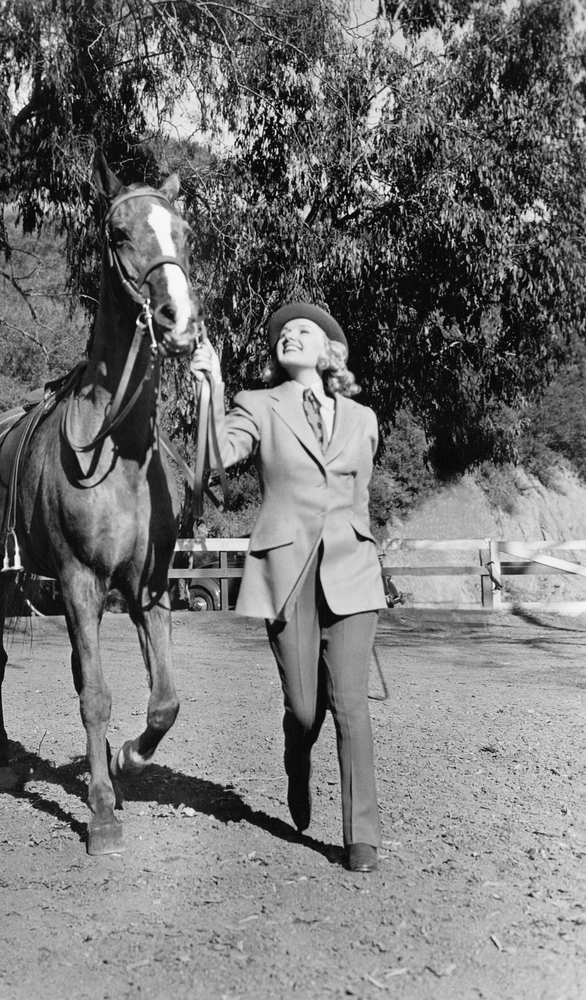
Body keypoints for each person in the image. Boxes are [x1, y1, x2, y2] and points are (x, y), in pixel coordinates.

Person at [190, 302, 387, 873]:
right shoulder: (258, 405)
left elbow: (360, 496)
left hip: (352, 571)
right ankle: (295, 762)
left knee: (350, 704)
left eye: (303, 330)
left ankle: (361, 838)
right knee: (305, 711)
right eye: (281, 333)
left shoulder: (363, 419)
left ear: (329, 351)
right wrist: (212, 385)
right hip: (288, 572)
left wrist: (361, 547)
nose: (289, 336)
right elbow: (215, 456)